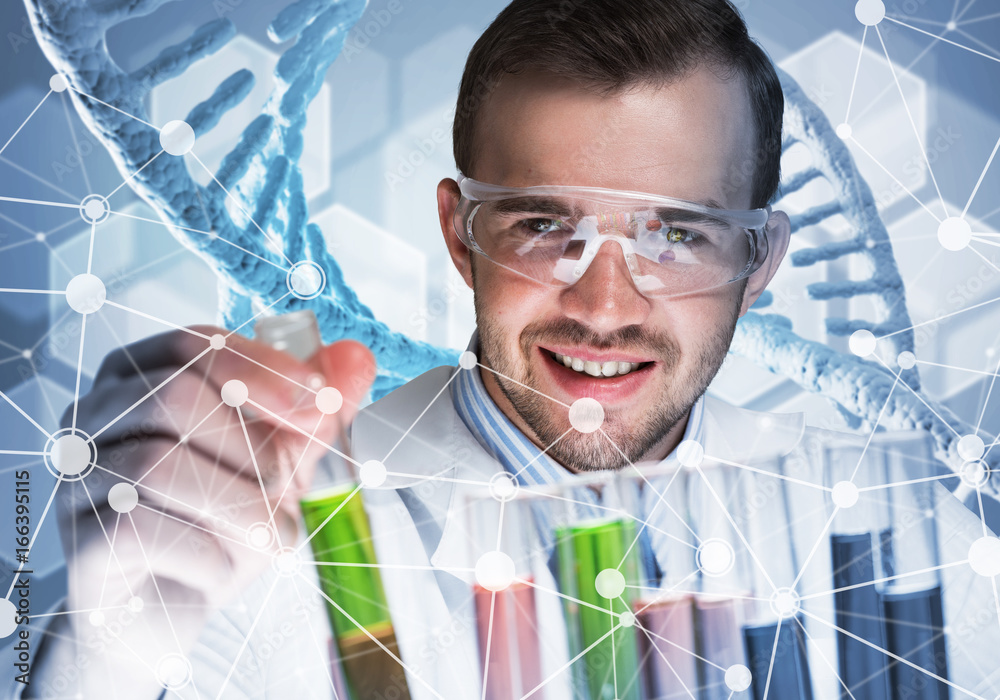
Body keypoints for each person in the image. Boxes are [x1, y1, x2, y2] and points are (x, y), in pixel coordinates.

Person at [8, 0, 998, 698]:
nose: (604, 304)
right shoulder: (271, 539)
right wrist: (103, 655)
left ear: (759, 256)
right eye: (539, 225)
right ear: (458, 232)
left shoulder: (909, 545)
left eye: (678, 234)